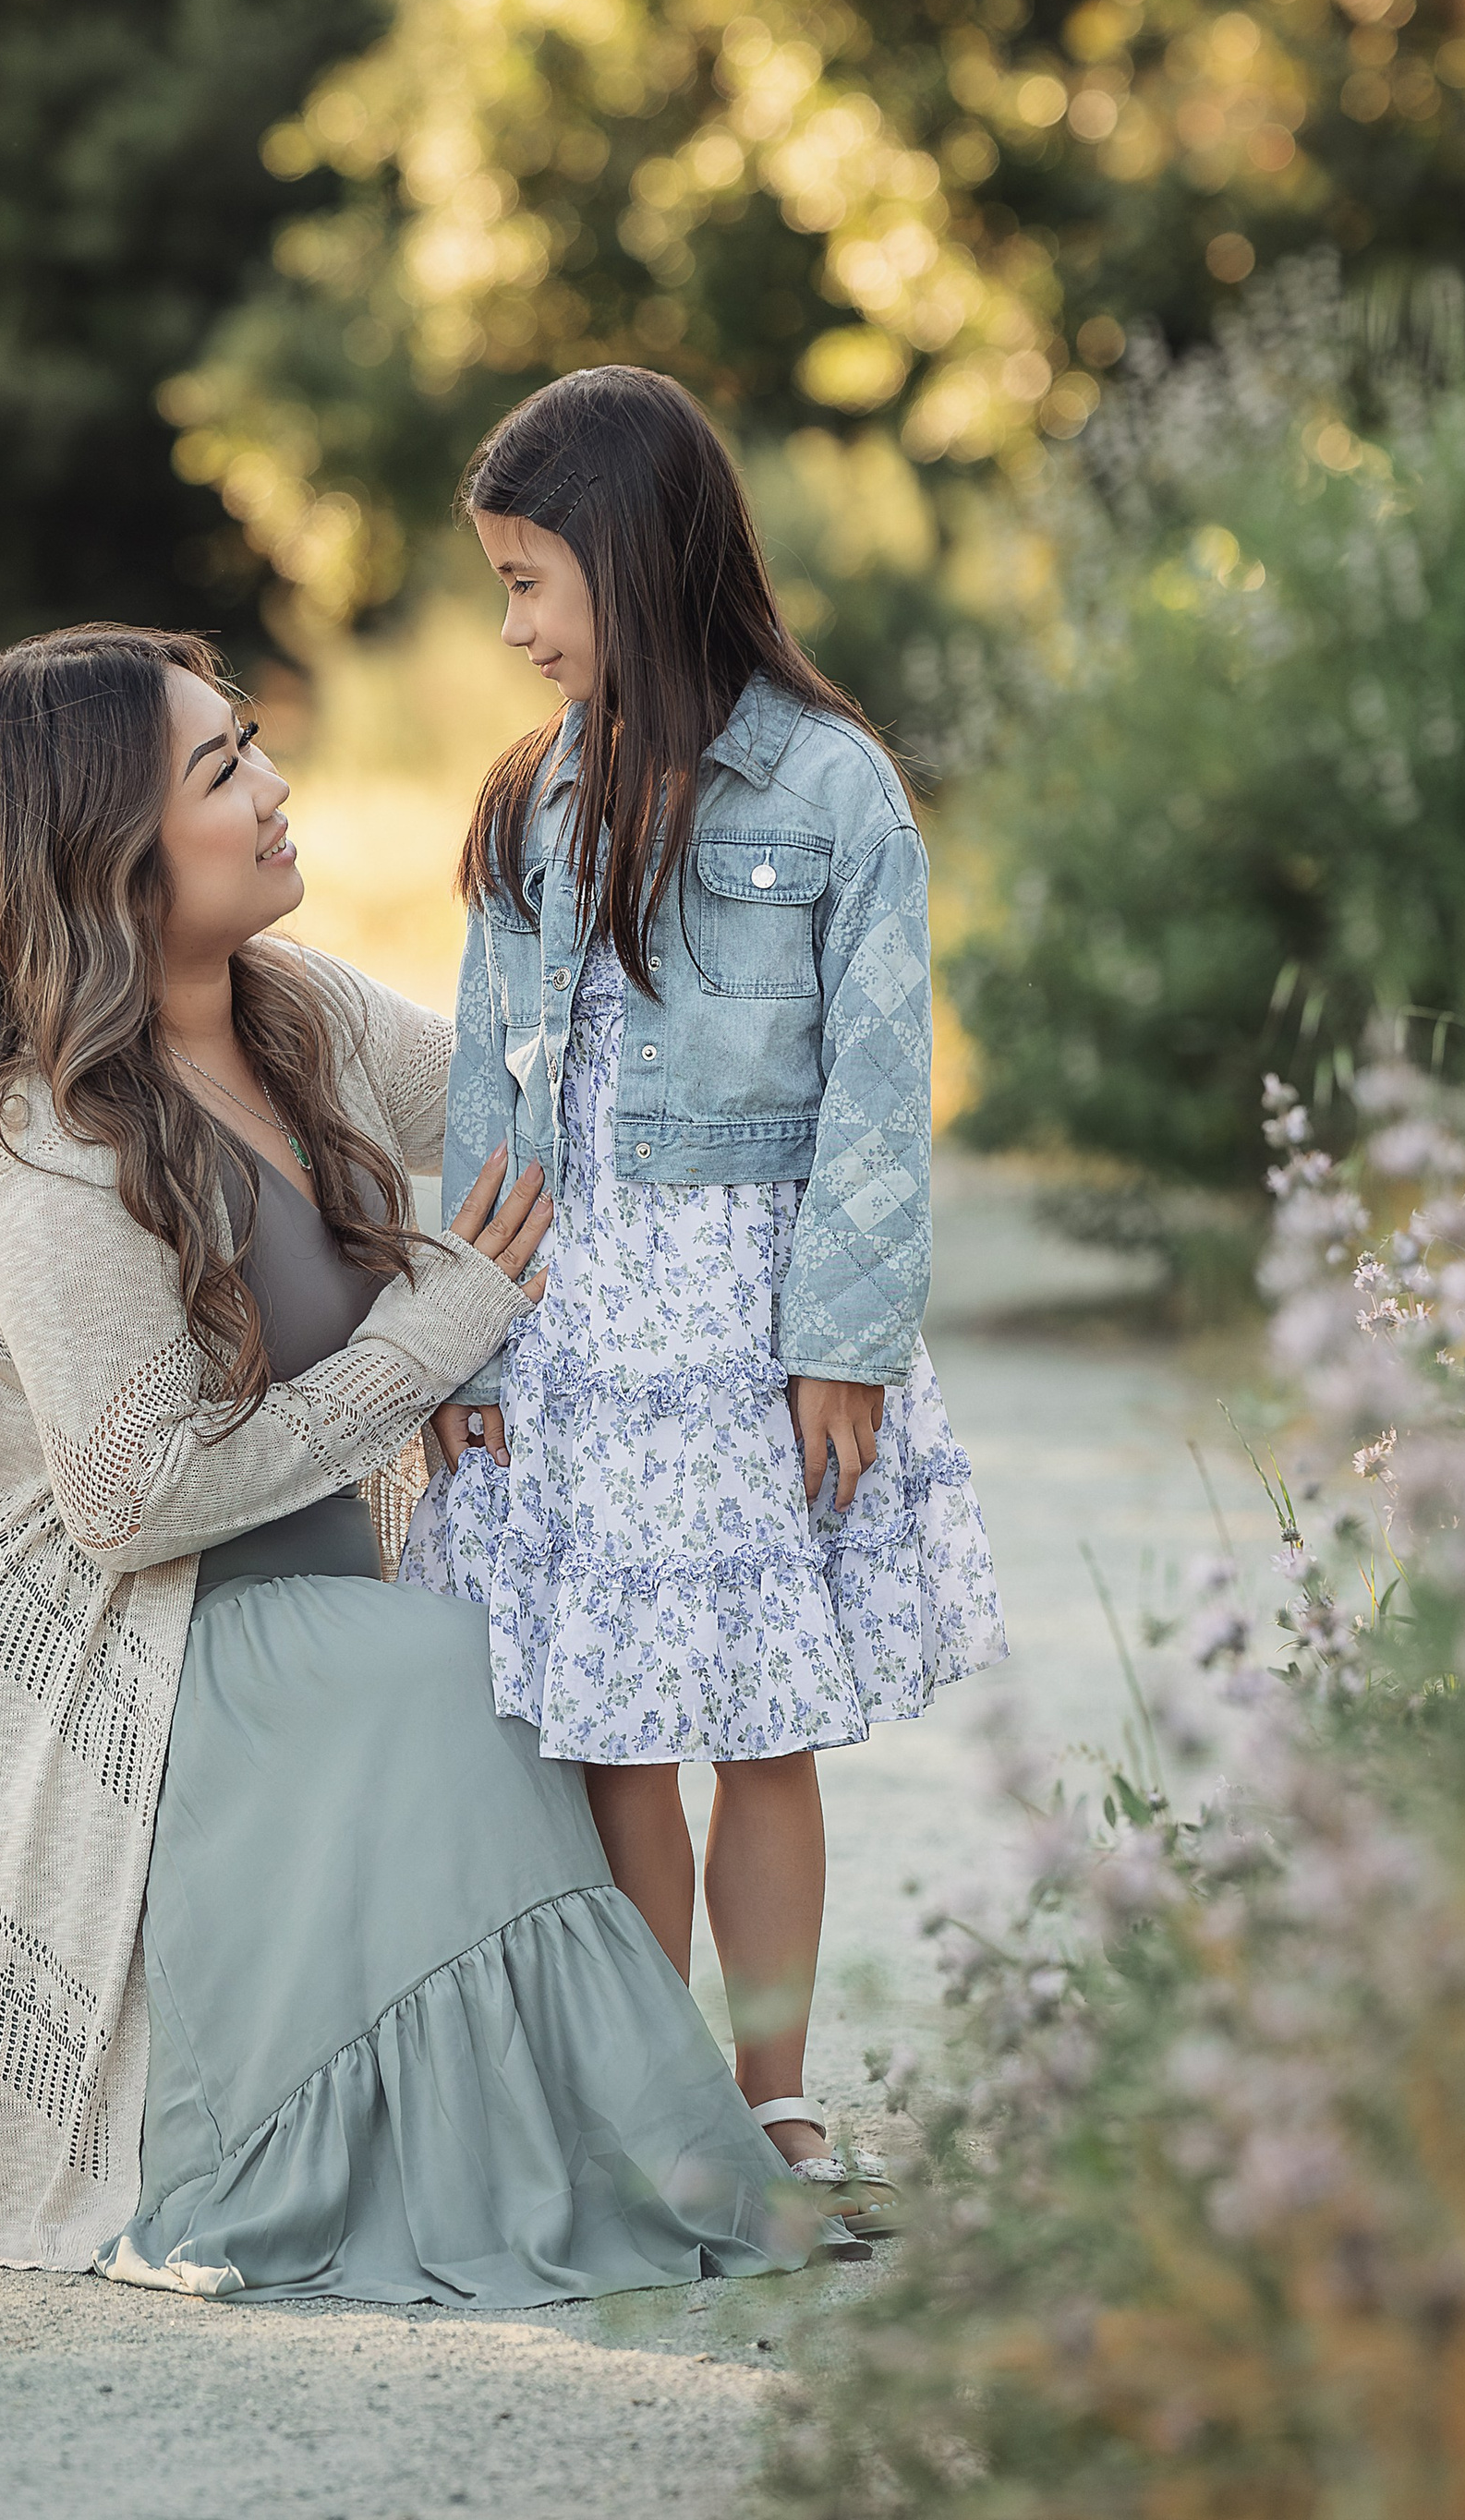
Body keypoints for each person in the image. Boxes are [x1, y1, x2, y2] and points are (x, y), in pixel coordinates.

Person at [0, 621, 831, 2300]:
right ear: (109, 851)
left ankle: (619, 2131)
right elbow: (130, 1501)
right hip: (129, 1650)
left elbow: (514, 1130)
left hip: (303, 1599)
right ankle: (540, 2153)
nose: (277, 789)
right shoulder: (47, 1139)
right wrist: (422, 1346)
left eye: (254, 747)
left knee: (518, 1648)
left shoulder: (290, 1012)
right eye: (222, 771)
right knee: (465, 1671)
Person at [402, 366, 1007, 2216]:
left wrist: (837, 1344)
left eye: (529, 580)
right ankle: (643, 2086)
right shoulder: (530, 803)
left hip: (747, 1332)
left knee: (758, 1722)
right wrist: (459, 1329)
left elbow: (872, 1089)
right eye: (498, 586)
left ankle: (770, 2098)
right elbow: (484, 1089)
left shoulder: (830, 791)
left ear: (636, 557)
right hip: (578, 1331)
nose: (511, 625)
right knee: (605, 1728)